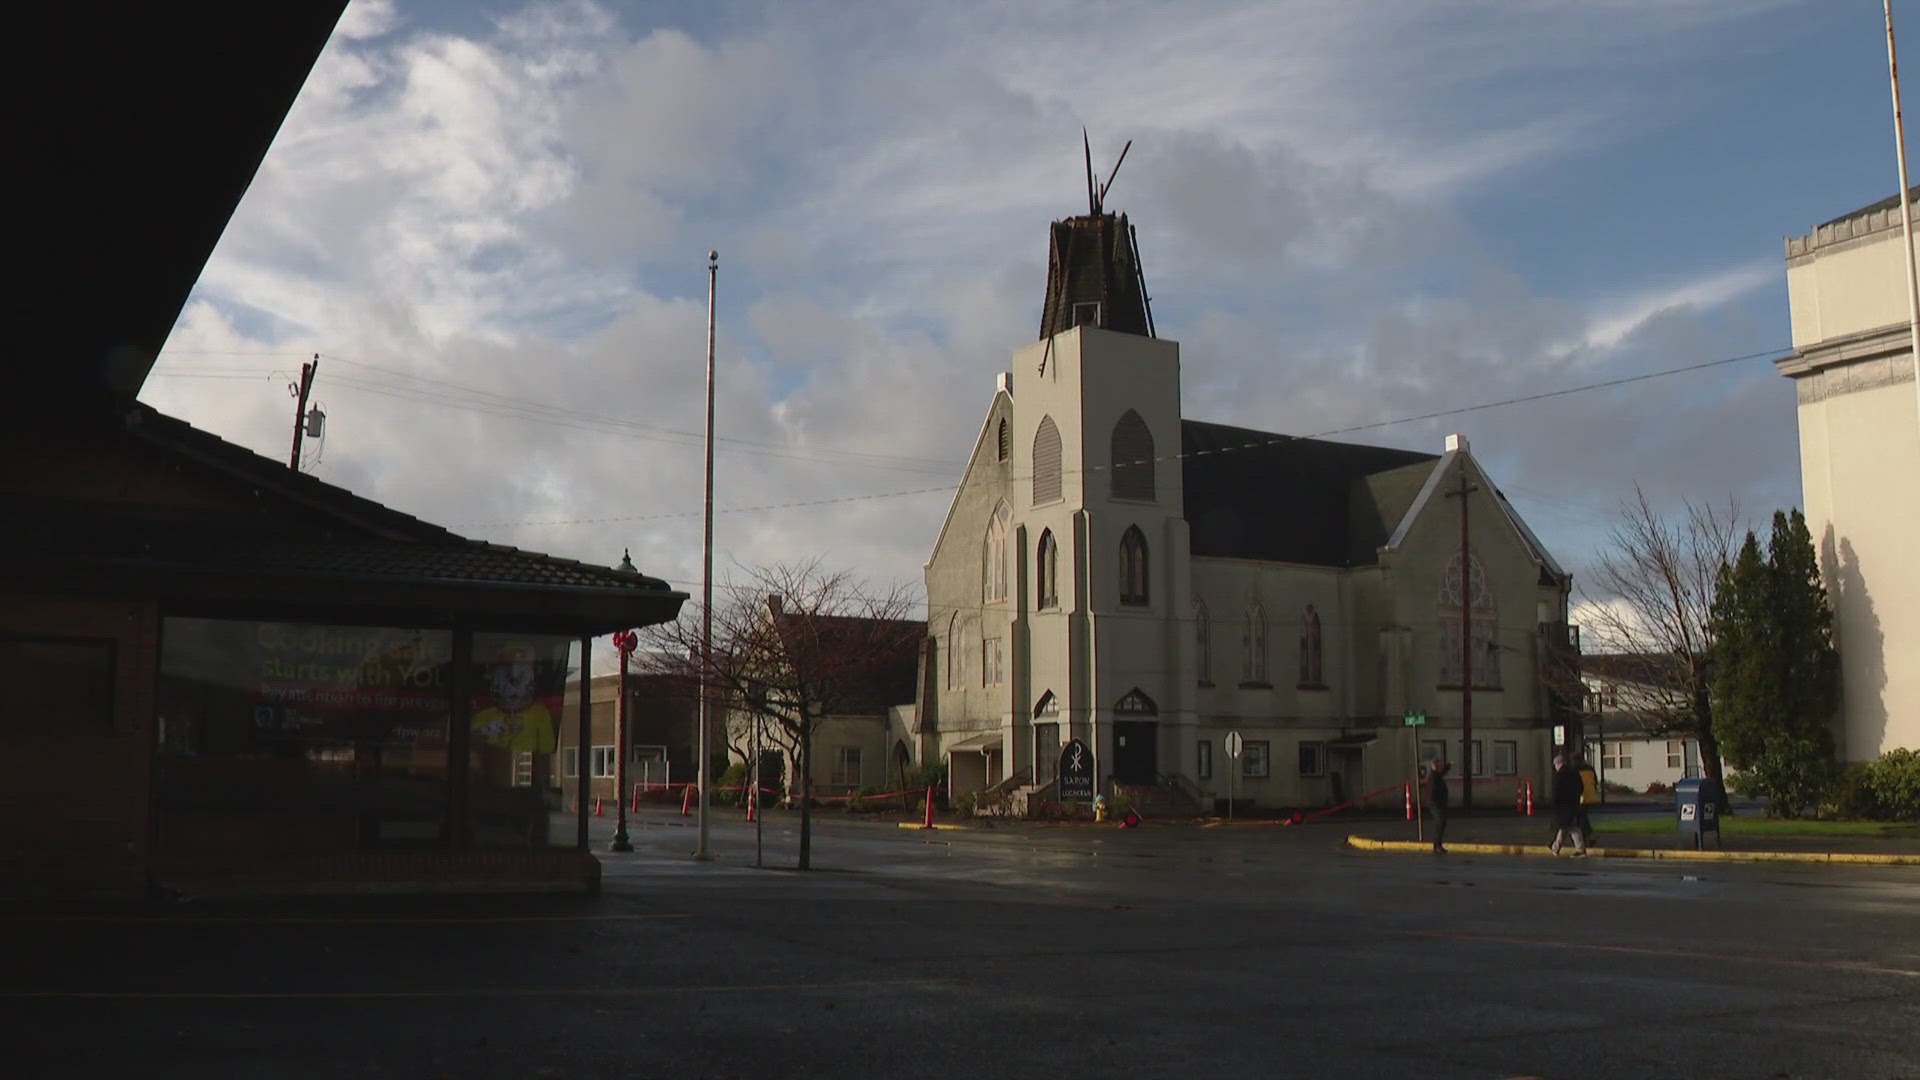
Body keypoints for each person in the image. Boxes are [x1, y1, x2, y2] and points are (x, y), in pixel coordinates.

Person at [1550, 754, 1588, 857]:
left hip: (1562, 805)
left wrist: (1554, 803)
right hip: (1573, 803)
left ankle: (1580, 850)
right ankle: (1555, 847)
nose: (1555, 767)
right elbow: (1581, 787)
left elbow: (1556, 791)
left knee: (1571, 827)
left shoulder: (1559, 775)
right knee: (1565, 826)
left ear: (1559, 763)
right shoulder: (1574, 773)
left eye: (1555, 765)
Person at [1426, 759, 1450, 854]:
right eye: (1440, 766)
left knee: (1441, 824)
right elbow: (1432, 793)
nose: (1441, 768)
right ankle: (1437, 846)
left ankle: (1438, 845)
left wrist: (1448, 766)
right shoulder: (1434, 777)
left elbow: (1443, 772)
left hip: (1439, 804)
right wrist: (1437, 804)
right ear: (1435, 767)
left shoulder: (1437, 774)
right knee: (1440, 824)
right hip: (1435, 804)